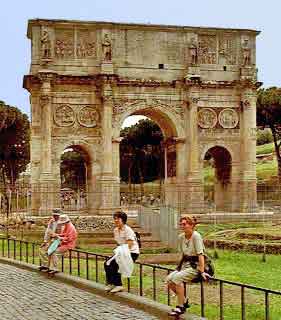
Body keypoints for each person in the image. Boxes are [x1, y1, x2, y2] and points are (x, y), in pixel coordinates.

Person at [166, 216, 209, 317]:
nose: (182, 226)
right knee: (169, 280)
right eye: (181, 224)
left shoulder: (196, 236)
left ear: (191, 225)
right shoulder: (181, 237)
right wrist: (179, 267)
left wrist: (202, 271)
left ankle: (180, 306)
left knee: (177, 278)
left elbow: (200, 255)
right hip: (185, 265)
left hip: (196, 266)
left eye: (184, 224)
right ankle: (184, 301)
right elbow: (183, 254)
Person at [104, 211, 139, 293]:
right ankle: (111, 283)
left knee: (115, 264)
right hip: (121, 251)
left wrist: (121, 254)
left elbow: (130, 244)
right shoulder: (116, 230)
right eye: (115, 219)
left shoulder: (128, 230)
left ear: (123, 220)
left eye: (118, 219)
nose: (116, 221)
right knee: (107, 263)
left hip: (131, 252)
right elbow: (118, 243)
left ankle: (118, 285)